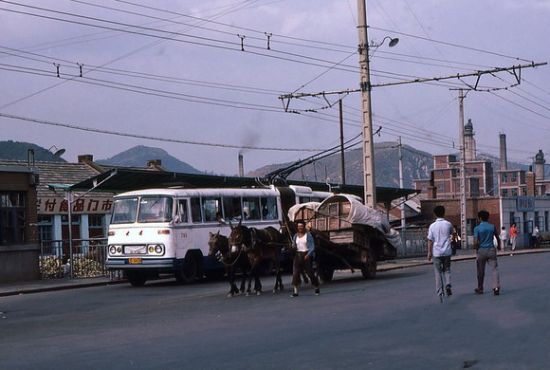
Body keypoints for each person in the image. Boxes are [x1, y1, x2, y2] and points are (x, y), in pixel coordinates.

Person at [427, 205, 453, 302]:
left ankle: (440, 292)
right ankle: (448, 284)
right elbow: (451, 233)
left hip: (436, 252)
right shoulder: (448, 224)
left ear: (435, 214)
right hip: (447, 251)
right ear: (444, 213)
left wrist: (429, 252)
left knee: (438, 272)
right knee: (447, 270)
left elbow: (430, 240)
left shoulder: (432, 226)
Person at [473, 210, 501, 296]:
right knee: (494, 269)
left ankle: (480, 288)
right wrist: (499, 246)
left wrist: (476, 248)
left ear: (480, 218)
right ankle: (496, 287)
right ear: (488, 217)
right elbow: (497, 237)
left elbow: (475, 242)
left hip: (481, 250)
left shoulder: (477, 228)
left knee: (480, 271)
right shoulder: (492, 227)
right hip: (491, 249)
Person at [290, 221, 320, 297]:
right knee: (295, 274)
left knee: (310, 274)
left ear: (304, 227)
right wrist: (292, 246)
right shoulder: (295, 236)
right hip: (298, 255)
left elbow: (312, 247)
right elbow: (294, 245)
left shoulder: (308, 235)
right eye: (298, 226)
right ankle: (295, 291)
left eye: (301, 226)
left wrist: (308, 255)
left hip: (306, 255)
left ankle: (316, 286)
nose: (300, 228)